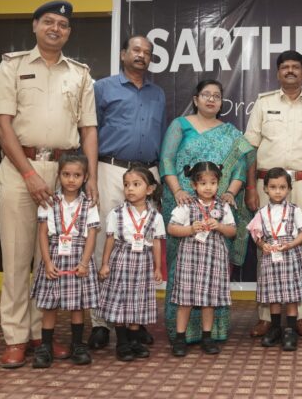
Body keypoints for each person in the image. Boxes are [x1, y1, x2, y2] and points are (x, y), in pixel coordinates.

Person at [0, 0, 98, 369]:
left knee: (52, 257)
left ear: (69, 32)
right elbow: (3, 124)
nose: (56, 28)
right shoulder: (12, 66)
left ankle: (42, 335)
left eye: (63, 25)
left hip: (66, 173)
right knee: (17, 257)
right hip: (20, 169)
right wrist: (28, 174)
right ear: (35, 25)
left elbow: (88, 129)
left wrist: (90, 179)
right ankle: (16, 337)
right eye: (49, 22)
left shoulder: (80, 74)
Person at [244, 50, 302, 339]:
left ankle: (301, 315)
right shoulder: (263, 103)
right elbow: (250, 149)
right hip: (267, 184)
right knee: (265, 247)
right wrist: (251, 187)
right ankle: (265, 316)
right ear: (278, 73)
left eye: (296, 67)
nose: (290, 71)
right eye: (285, 67)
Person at [159, 79, 254, 346]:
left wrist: (230, 193)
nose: (211, 99)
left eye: (216, 95)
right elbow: (166, 159)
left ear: (222, 102)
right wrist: (178, 190)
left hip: (218, 208)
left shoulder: (231, 133)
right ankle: (181, 332)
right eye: (206, 95)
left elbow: (241, 167)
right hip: (183, 203)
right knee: (182, 268)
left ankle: (211, 332)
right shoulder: (180, 125)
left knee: (214, 269)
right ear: (196, 99)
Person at [90, 35, 166, 349]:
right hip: (111, 170)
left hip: (148, 173)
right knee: (106, 243)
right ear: (123, 54)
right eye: (136, 50)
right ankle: (100, 322)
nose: (141, 55)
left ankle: (135, 320)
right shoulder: (103, 88)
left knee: (143, 246)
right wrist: (90, 173)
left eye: (147, 52)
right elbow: (89, 132)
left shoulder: (158, 93)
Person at [30, 155, 100, 368]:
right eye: (66, 174)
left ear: (85, 177)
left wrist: (85, 263)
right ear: (59, 175)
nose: (71, 179)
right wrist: (47, 262)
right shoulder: (49, 202)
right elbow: (42, 234)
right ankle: (46, 346)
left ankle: (77, 345)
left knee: (77, 305)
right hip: (54, 257)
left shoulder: (89, 204)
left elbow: (92, 235)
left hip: (79, 258)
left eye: (77, 175)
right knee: (49, 305)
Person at [168, 162, 237, 356]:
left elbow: (232, 231)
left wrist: (220, 226)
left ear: (219, 184)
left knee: (209, 300)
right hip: (189, 260)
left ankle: (207, 336)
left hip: (214, 260)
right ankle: (180, 338)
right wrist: (190, 229)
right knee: (185, 300)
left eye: (213, 183)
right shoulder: (186, 205)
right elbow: (171, 228)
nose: (208, 187)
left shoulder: (223, 206)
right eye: (203, 183)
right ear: (193, 185)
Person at [97, 165, 164, 361]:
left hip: (143, 263)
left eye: (136, 184)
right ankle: (122, 342)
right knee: (120, 301)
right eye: (126, 185)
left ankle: (134, 341)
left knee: (137, 302)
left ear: (149, 189)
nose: (130, 189)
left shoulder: (155, 216)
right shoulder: (116, 213)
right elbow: (110, 239)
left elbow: (156, 242)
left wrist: (158, 268)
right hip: (121, 260)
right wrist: (105, 264)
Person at [247, 168, 302, 351]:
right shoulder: (261, 212)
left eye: (282, 187)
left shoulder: (295, 210)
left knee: (291, 296)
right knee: (273, 295)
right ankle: (275, 328)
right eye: (273, 187)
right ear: (265, 189)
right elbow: (256, 235)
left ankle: (290, 330)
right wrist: (262, 245)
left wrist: (291, 244)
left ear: (289, 189)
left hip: (290, 254)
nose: (278, 191)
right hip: (271, 256)